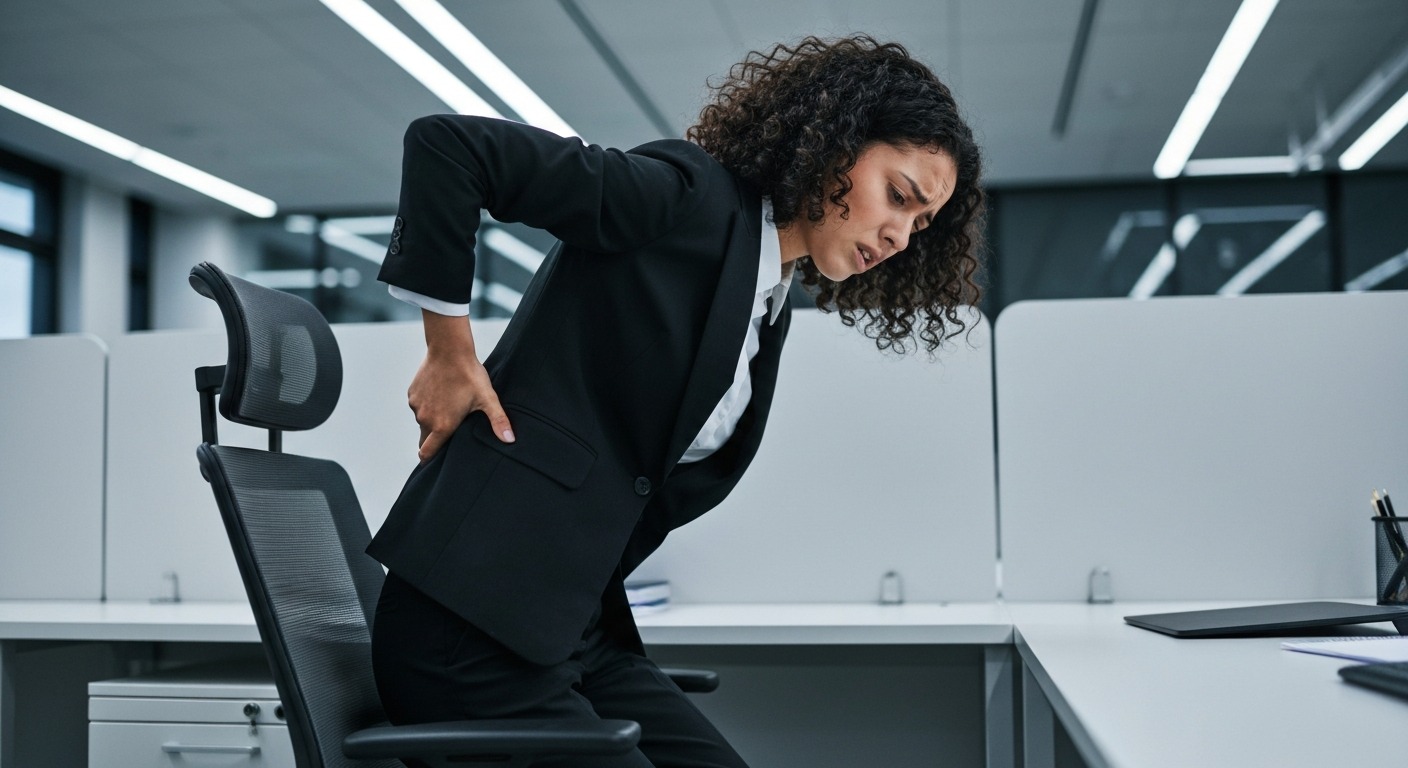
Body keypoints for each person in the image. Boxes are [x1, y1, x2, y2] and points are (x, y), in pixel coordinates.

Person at [367, 34, 985, 768]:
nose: (900, 236)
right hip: (468, 630)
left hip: (572, 635)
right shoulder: (687, 198)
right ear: (835, 144)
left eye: (920, 225)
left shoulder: (768, 301)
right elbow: (449, 148)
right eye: (899, 197)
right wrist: (449, 351)